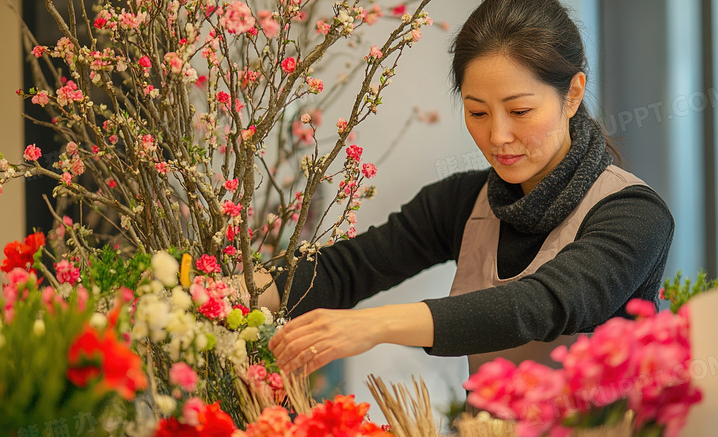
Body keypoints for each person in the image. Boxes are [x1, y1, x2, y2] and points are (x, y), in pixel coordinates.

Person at [262, 0, 674, 378]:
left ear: (573, 94)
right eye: (478, 112)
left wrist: (376, 324)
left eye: (520, 111)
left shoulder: (634, 214)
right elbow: (345, 270)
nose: (497, 136)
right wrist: (228, 293)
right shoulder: (462, 203)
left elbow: (539, 306)